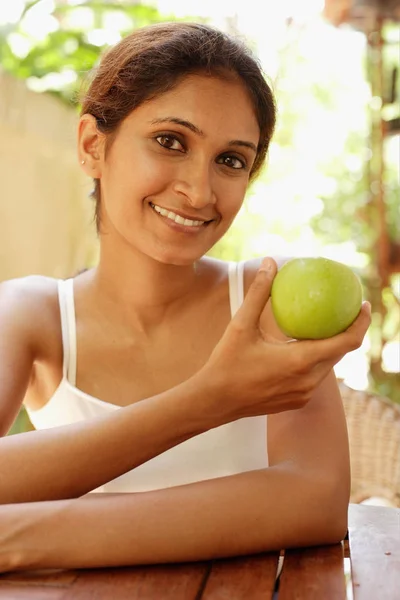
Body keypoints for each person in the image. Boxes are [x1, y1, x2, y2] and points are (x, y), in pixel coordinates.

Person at [0, 21, 370, 573]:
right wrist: (209, 400)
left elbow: (315, 501)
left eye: (231, 160)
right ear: (92, 146)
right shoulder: (31, 313)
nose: (199, 192)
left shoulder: (271, 297)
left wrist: (19, 537)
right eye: (170, 142)